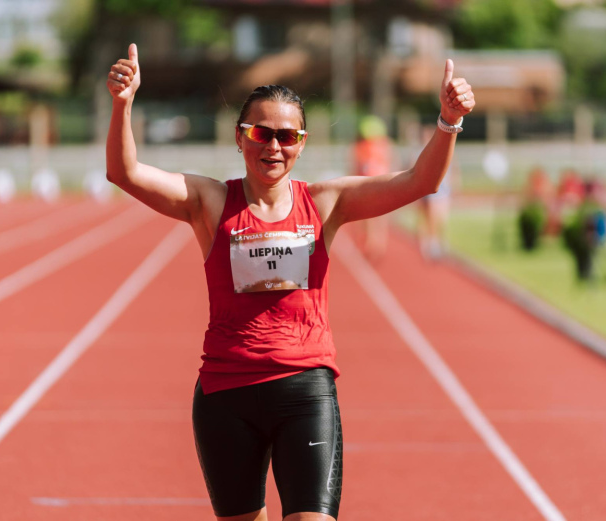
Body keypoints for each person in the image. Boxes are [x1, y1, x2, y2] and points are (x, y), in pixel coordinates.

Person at [106, 43, 475, 521]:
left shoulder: (326, 203)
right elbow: (124, 172)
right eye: (260, 133)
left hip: (304, 390)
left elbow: (420, 181)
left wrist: (448, 122)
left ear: (301, 143)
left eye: (286, 135)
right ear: (240, 138)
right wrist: (123, 103)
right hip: (226, 394)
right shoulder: (210, 201)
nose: (273, 146)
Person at [414, 124, 460, 260]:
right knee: (430, 218)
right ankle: (431, 244)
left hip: (444, 189)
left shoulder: (447, 149)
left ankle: (439, 242)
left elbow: (455, 168)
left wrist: (455, 185)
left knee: (442, 218)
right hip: (429, 190)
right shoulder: (420, 151)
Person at [352, 115, 393, 262]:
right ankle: (376, 243)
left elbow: (356, 166)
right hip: (378, 185)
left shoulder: (363, 147)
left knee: (371, 217)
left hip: (371, 185)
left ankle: (374, 243)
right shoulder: (384, 145)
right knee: (377, 217)